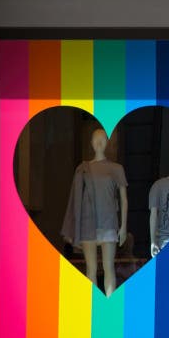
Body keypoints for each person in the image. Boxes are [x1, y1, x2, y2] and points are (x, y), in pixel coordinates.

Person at [61, 127, 127, 297]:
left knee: (108, 267)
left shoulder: (116, 168)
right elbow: (75, 200)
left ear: (107, 142)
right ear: (91, 143)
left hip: (109, 223)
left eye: (103, 138)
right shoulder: (82, 168)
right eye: (95, 138)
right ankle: (94, 309)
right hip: (87, 223)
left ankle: (110, 304)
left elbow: (124, 199)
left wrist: (124, 226)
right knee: (91, 269)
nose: (99, 141)